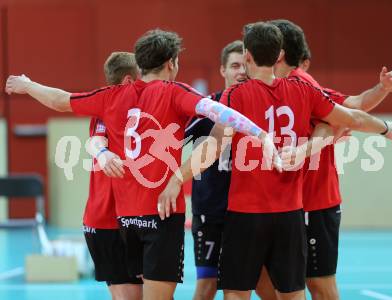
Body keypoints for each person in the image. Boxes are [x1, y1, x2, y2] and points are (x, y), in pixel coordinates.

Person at [5, 29, 280, 300]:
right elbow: (220, 112)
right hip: (160, 213)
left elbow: (60, 100)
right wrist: (260, 133)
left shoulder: (112, 95)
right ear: (171, 63)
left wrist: (28, 85)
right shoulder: (173, 92)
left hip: (126, 218)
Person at [158, 21, 392, 300]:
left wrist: (177, 179)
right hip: (290, 215)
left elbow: (212, 146)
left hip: (245, 213)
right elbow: (353, 117)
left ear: (247, 56)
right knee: (292, 293)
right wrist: (383, 128)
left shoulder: (235, 95)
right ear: (278, 57)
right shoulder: (303, 90)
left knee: (236, 291)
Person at [255, 19, 392, 300]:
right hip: (284, 201)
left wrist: (381, 106)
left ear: (279, 52)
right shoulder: (271, 86)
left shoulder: (301, 83)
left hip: (315, 199)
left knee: (319, 284)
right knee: (271, 282)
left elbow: (352, 109)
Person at [184, 40, 246, 300]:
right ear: (223, 71)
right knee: (207, 285)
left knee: (247, 285)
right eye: (234, 66)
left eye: (245, 65)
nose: (241, 71)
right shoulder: (207, 107)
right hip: (211, 209)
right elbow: (169, 136)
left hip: (249, 211)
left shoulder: (262, 106)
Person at [83, 51, 143, 300]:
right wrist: (103, 153)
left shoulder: (144, 110)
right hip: (108, 220)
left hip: (136, 219)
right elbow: (96, 140)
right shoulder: (106, 109)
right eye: (142, 76)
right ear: (129, 81)